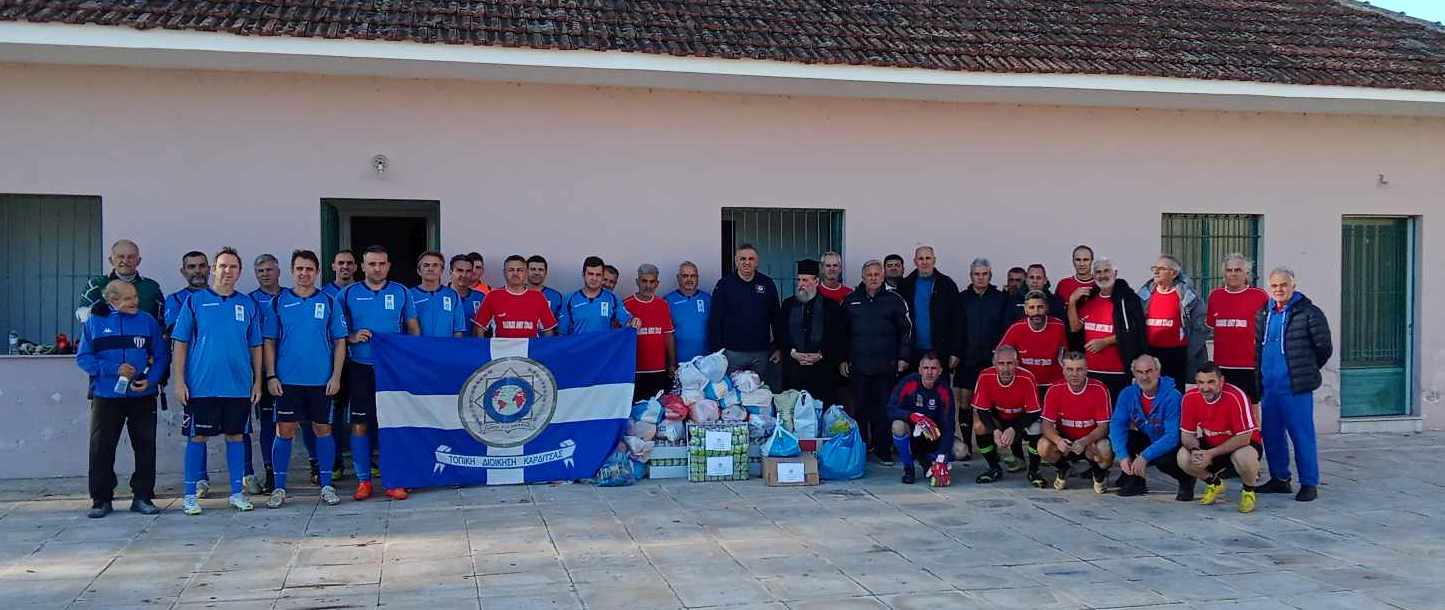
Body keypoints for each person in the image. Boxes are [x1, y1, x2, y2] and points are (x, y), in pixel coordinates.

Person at [171, 247, 263, 515]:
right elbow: (180, 342)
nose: (227, 271)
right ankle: (190, 496)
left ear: (239, 272)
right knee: (197, 437)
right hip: (201, 385)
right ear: (213, 269)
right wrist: (179, 381)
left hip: (238, 386)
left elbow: (256, 345)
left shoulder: (247, 304)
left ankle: (236, 493)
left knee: (236, 436)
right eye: (223, 266)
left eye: (233, 267)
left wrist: (257, 381)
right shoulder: (195, 301)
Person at [262, 250, 347, 508]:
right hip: (287, 380)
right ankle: (279, 487)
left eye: (309, 269)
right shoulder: (279, 301)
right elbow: (269, 341)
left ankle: (326, 485)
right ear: (292, 271)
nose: (304, 273)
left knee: (323, 429)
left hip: (321, 380)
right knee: (284, 430)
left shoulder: (329, 301)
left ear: (317, 272)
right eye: (299, 269)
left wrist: (336, 376)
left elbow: (340, 341)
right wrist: (271, 376)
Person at [76, 280, 168, 517]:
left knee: (145, 447)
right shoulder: (95, 322)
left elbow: (161, 355)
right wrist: (113, 369)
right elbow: (83, 358)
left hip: (142, 395)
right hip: (106, 396)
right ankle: (101, 500)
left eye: (135, 296)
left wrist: (152, 380)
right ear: (112, 301)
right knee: (101, 448)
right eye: (128, 299)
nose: (135, 302)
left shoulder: (147, 321)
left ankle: (143, 497)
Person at [337, 245, 420, 501]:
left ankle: (393, 480)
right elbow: (336, 331)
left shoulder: (401, 292)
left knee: (393, 424)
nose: (377, 268)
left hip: (392, 370)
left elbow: (413, 329)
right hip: (360, 368)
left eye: (382, 263)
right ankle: (363, 481)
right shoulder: (347, 294)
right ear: (362, 266)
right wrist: (351, 337)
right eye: (372, 264)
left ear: (388, 266)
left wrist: (409, 360)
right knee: (359, 424)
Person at [1254, 267, 1332, 502]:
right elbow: (1257, 349)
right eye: (1274, 285)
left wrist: (1304, 370)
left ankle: (1309, 483)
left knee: (1301, 435)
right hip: (1270, 388)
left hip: (1295, 387)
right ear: (1269, 288)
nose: (1279, 289)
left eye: (1284, 285)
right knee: (1271, 435)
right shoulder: (1263, 313)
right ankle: (1280, 479)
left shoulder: (1309, 313)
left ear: (1293, 286)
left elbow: (1323, 348)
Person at [841, 260, 911, 463]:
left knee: (883, 409)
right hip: (859, 365)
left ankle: (883, 450)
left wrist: (903, 357)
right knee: (860, 408)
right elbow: (842, 334)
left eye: (877, 274)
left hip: (886, 365)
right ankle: (862, 448)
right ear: (863, 277)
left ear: (883, 277)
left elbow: (906, 331)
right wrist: (843, 359)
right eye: (869, 275)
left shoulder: (894, 300)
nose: (873, 278)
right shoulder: (851, 300)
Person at [1178, 362, 1263, 513]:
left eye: (1211, 382)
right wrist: (1195, 450)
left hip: (1242, 444)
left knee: (1244, 457)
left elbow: (1244, 437)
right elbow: (1187, 435)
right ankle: (1214, 483)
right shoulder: (1189, 398)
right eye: (1200, 382)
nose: (1205, 388)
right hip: (1213, 445)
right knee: (1183, 457)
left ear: (1221, 381)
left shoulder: (1236, 396)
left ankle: (1248, 491)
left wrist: (1210, 454)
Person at [162, 250, 213, 496]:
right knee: (197, 430)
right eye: (191, 267)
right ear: (183, 271)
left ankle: (246, 475)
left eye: (202, 266)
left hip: (226, 374)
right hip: (193, 377)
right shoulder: (175, 300)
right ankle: (199, 479)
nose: (197, 271)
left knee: (237, 429)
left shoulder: (226, 297)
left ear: (210, 269)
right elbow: (178, 335)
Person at [1109, 355, 1193, 499]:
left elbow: (1172, 436)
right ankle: (1136, 481)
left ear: (1158, 372)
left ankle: (1186, 479)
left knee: (1163, 460)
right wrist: (1122, 456)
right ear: (1134, 374)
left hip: (1172, 443)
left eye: (1149, 371)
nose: (1144, 377)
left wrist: (1145, 456)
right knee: (1129, 439)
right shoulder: (1127, 394)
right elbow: (1117, 425)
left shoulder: (1172, 396)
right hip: (1149, 437)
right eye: (1140, 372)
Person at [1066, 257, 1145, 400]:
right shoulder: (1090, 299)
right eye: (1098, 272)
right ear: (1093, 275)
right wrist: (1072, 302)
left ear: (1115, 273)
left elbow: (1134, 332)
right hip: (1091, 372)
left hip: (1118, 373)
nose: (1102, 275)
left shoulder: (1127, 299)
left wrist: (1105, 342)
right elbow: (1075, 328)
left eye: (1106, 271)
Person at [1038, 352, 1112, 493]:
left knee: (1105, 448)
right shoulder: (1054, 389)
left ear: (1086, 370)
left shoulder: (1099, 389)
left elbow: (1104, 427)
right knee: (1043, 446)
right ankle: (1063, 468)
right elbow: (1046, 425)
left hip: (1090, 441)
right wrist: (1058, 440)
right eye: (1070, 369)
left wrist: (1085, 441)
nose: (1074, 374)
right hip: (1066, 441)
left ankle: (1098, 474)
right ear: (1063, 370)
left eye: (1079, 369)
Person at [1206, 254, 1269, 420]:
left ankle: (1255, 437)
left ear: (1246, 274)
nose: (1233, 274)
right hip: (1222, 366)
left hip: (1249, 366)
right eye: (1229, 270)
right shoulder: (1215, 296)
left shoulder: (1259, 296)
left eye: (1238, 270)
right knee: (1223, 411)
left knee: (1251, 412)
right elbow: (1211, 325)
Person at [775, 259, 846, 403]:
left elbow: (837, 336)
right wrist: (792, 352)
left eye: (805, 280)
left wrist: (821, 354)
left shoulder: (830, 307)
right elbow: (781, 332)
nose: (801, 284)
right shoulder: (788, 304)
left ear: (816, 281)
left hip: (821, 369)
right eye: (799, 280)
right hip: (794, 368)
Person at [970, 346, 1043, 485]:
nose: (1005, 368)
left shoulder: (1027, 377)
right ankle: (993, 468)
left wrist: (1014, 429)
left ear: (1017, 364)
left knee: (1037, 427)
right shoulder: (985, 376)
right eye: (1001, 363)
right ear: (994, 364)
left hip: (1021, 419)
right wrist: (994, 430)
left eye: (1010, 363)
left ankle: (1034, 471)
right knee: (979, 425)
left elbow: (1034, 412)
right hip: (999, 418)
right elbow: (981, 410)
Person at [244, 253, 286, 494]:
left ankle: (315, 466)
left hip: (293, 370)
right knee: (268, 423)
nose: (265, 274)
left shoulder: (291, 296)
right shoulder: (249, 301)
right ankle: (270, 472)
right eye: (260, 271)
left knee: (304, 422)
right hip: (263, 372)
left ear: (278, 271)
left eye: (269, 269)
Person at [708, 244, 781, 381]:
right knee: (732, 392)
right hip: (732, 353)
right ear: (736, 261)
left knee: (759, 391)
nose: (747, 262)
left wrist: (778, 347)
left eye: (751, 259)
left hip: (761, 353)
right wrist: (717, 351)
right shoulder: (724, 285)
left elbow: (776, 317)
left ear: (757, 262)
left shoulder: (767, 283)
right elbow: (715, 319)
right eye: (742, 259)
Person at [1137, 255, 1207, 391]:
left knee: (1174, 394)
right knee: (1150, 393)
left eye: (1161, 268)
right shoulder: (1145, 294)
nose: (1156, 272)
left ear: (1174, 273)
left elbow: (1201, 328)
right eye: (1155, 268)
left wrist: (1189, 354)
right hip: (1151, 355)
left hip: (1177, 355)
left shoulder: (1187, 296)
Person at [316, 248, 357, 483]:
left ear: (356, 267)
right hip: (332, 364)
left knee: (363, 413)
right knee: (334, 414)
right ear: (332, 266)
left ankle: (366, 460)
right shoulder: (324, 295)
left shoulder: (361, 291)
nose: (345, 267)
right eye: (341, 263)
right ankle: (335, 462)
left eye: (349, 263)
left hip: (359, 362)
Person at [886, 353, 954, 484]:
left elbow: (949, 425)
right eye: (926, 368)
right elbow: (890, 409)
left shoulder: (944, 390)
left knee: (960, 450)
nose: (929, 372)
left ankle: (929, 460)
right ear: (919, 370)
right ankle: (908, 468)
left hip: (934, 435)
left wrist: (941, 457)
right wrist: (911, 416)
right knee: (897, 426)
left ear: (940, 371)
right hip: (912, 434)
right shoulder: (909, 382)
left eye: (933, 368)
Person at [959, 258, 1011, 406]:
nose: (980, 277)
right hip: (967, 359)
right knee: (965, 402)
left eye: (984, 274)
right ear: (971, 276)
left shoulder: (1001, 298)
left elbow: (1006, 328)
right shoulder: (962, 298)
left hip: (992, 359)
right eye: (977, 274)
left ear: (990, 275)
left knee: (991, 402)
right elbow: (956, 328)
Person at [998, 290, 1067, 398]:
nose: (1036, 312)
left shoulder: (1058, 326)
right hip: (1025, 384)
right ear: (1025, 310)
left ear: (1047, 308)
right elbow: (999, 354)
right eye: (1032, 308)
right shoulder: (1016, 328)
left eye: (1040, 307)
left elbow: (1065, 356)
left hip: (1051, 385)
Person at [77, 239, 164, 323]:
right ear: (111, 260)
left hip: (142, 333)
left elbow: (162, 320)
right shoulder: (96, 284)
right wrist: (94, 311)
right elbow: (80, 314)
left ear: (139, 261)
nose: (125, 261)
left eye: (131, 257)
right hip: (107, 333)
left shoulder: (152, 287)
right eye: (120, 256)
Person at [624, 264, 676, 401]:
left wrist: (672, 363)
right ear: (637, 282)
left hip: (659, 370)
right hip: (634, 371)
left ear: (657, 283)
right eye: (644, 281)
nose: (648, 285)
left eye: (652, 281)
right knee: (635, 409)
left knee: (657, 409)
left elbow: (668, 335)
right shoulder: (626, 305)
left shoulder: (662, 304)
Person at [473, 255, 558, 338]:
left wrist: (545, 348)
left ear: (526, 273)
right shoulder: (493, 296)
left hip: (530, 347)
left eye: (520, 270)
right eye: (511, 270)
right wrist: (482, 346)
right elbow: (479, 328)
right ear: (504, 272)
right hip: (501, 347)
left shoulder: (538, 297)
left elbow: (548, 330)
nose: (515, 273)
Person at [559, 256, 638, 335]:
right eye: (590, 274)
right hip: (579, 343)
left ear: (602, 276)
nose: (594, 278)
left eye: (598, 275)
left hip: (605, 343)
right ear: (583, 275)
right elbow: (562, 333)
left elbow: (627, 322)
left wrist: (634, 321)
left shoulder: (613, 298)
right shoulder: (569, 299)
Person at [409, 251, 466, 338]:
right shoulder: (408, 295)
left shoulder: (452, 295)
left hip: (445, 346)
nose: (430, 268)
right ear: (419, 271)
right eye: (426, 265)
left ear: (442, 270)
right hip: (417, 346)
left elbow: (458, 330)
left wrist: (455, 346)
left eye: (435, 265)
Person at [665, 261, 711, 363]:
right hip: (679, 364)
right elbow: (665, 335)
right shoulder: (668, 301)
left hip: (705, 363)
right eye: (685, 276)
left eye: (693, 276)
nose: (689, 279)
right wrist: (671, 363)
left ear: (697, 278)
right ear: (678, 278)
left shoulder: (708, 299)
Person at [450, 255, 487, 329]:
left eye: (468, 271)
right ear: (451, 272)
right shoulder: (439, 296)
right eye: (460, 270)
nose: (464, 275)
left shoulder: (480, 297)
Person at [526, 255, 565, 320]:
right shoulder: (516, 293)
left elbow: (560, 322)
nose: (537, 273)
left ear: (546, 272)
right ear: (526, 271)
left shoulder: (555, 296)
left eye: (540, 269)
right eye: (533, 269)